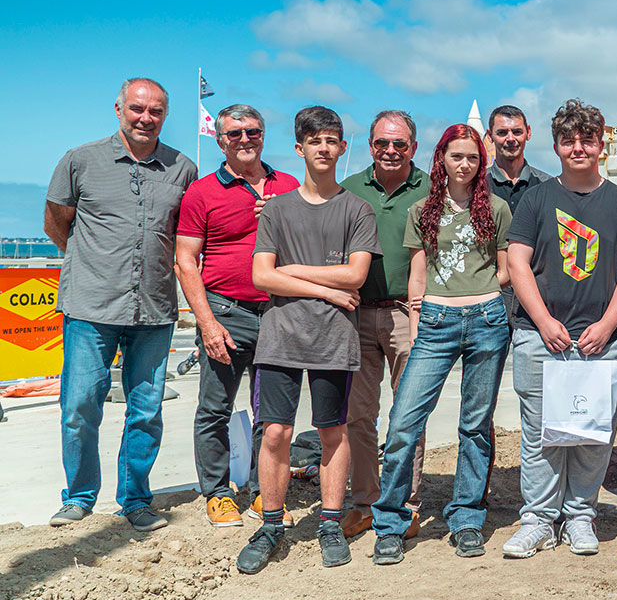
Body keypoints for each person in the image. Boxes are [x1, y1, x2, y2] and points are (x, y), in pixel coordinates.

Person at [44, 78, 197, 532]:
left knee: (146, 410)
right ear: (118, 109)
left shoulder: (182, 168)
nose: (145, 118)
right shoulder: (80, 160)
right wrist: (95, 265)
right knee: (80, 406)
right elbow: (57, 225)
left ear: (165, 116)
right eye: (137, 108)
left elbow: (190, 233)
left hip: (153, 309)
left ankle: (135, 499)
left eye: (155, 111)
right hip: (91, 307)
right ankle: (78, 497)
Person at [235, 106, 381, 574]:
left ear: (341, 147)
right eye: (314, 141)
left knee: (331, 432)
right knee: (274, 432)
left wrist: (291, 271)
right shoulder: (277, 208)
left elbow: (357, 273)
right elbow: (262, 277)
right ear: (299, 149)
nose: (323, 148)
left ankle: (331, 523)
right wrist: (323, 288)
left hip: (334, 338)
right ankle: (272, 526)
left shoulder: (357, 208)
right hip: (280, 337)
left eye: (331, 140)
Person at [501, 99, 617, 558]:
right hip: (541, 338)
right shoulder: (537, 199)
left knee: (593, 433)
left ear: (602, 144)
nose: (578, 148)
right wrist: (542, 321)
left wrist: (606, 325)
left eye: (588, 140)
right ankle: (538, 520)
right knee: (541, 433)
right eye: (568, 140)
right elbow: (517, 264)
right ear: (557, 145)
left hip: (605, 340)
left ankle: (580, 515)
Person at [371, 125, 513, 563]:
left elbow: (506, 268)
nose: (465, 164)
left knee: (475, 426)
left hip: (488, 320)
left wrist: (483, 291)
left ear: (480, 161)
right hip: (434, 320)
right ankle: (391, 521)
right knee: (403, 424)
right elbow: (417, 273)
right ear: (442, 160)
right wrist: (417, 324)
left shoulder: (498, 208)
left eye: (472, 157)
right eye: (457, 156)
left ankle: (467, 517)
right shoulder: (422, 210)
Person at [176, 104, 300, 528]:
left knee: (273, 412)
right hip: (226, 312)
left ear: (264, 135)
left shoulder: (290, 185)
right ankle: (216, 491)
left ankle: (267, 490)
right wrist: (207, 323)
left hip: (280, 312)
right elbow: (186, 261)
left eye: (253, 132)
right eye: (235, 134)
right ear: (220, 139)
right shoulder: (202, 191)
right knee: (215, 408)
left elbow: (308, 250)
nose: (245, 140)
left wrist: (281, 223)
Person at [339, 110, 431, 539]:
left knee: (408, 415)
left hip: (408, 315)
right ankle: (364, 502)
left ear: (413, 146)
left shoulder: (434, 188)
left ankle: (404, 503)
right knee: (359, 415)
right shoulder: (350, 188)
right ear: (371, 144)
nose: (390, 151)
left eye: (399, 144)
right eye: (381, 143)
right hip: (356, 314)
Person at [486, 104, 551, 325]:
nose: (510, 139)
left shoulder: (548, 187)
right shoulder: (476, 188)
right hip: (491, 292)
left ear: (528, 133)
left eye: (517, 131)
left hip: (536, 290)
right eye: (502, 132)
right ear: (490, 136)